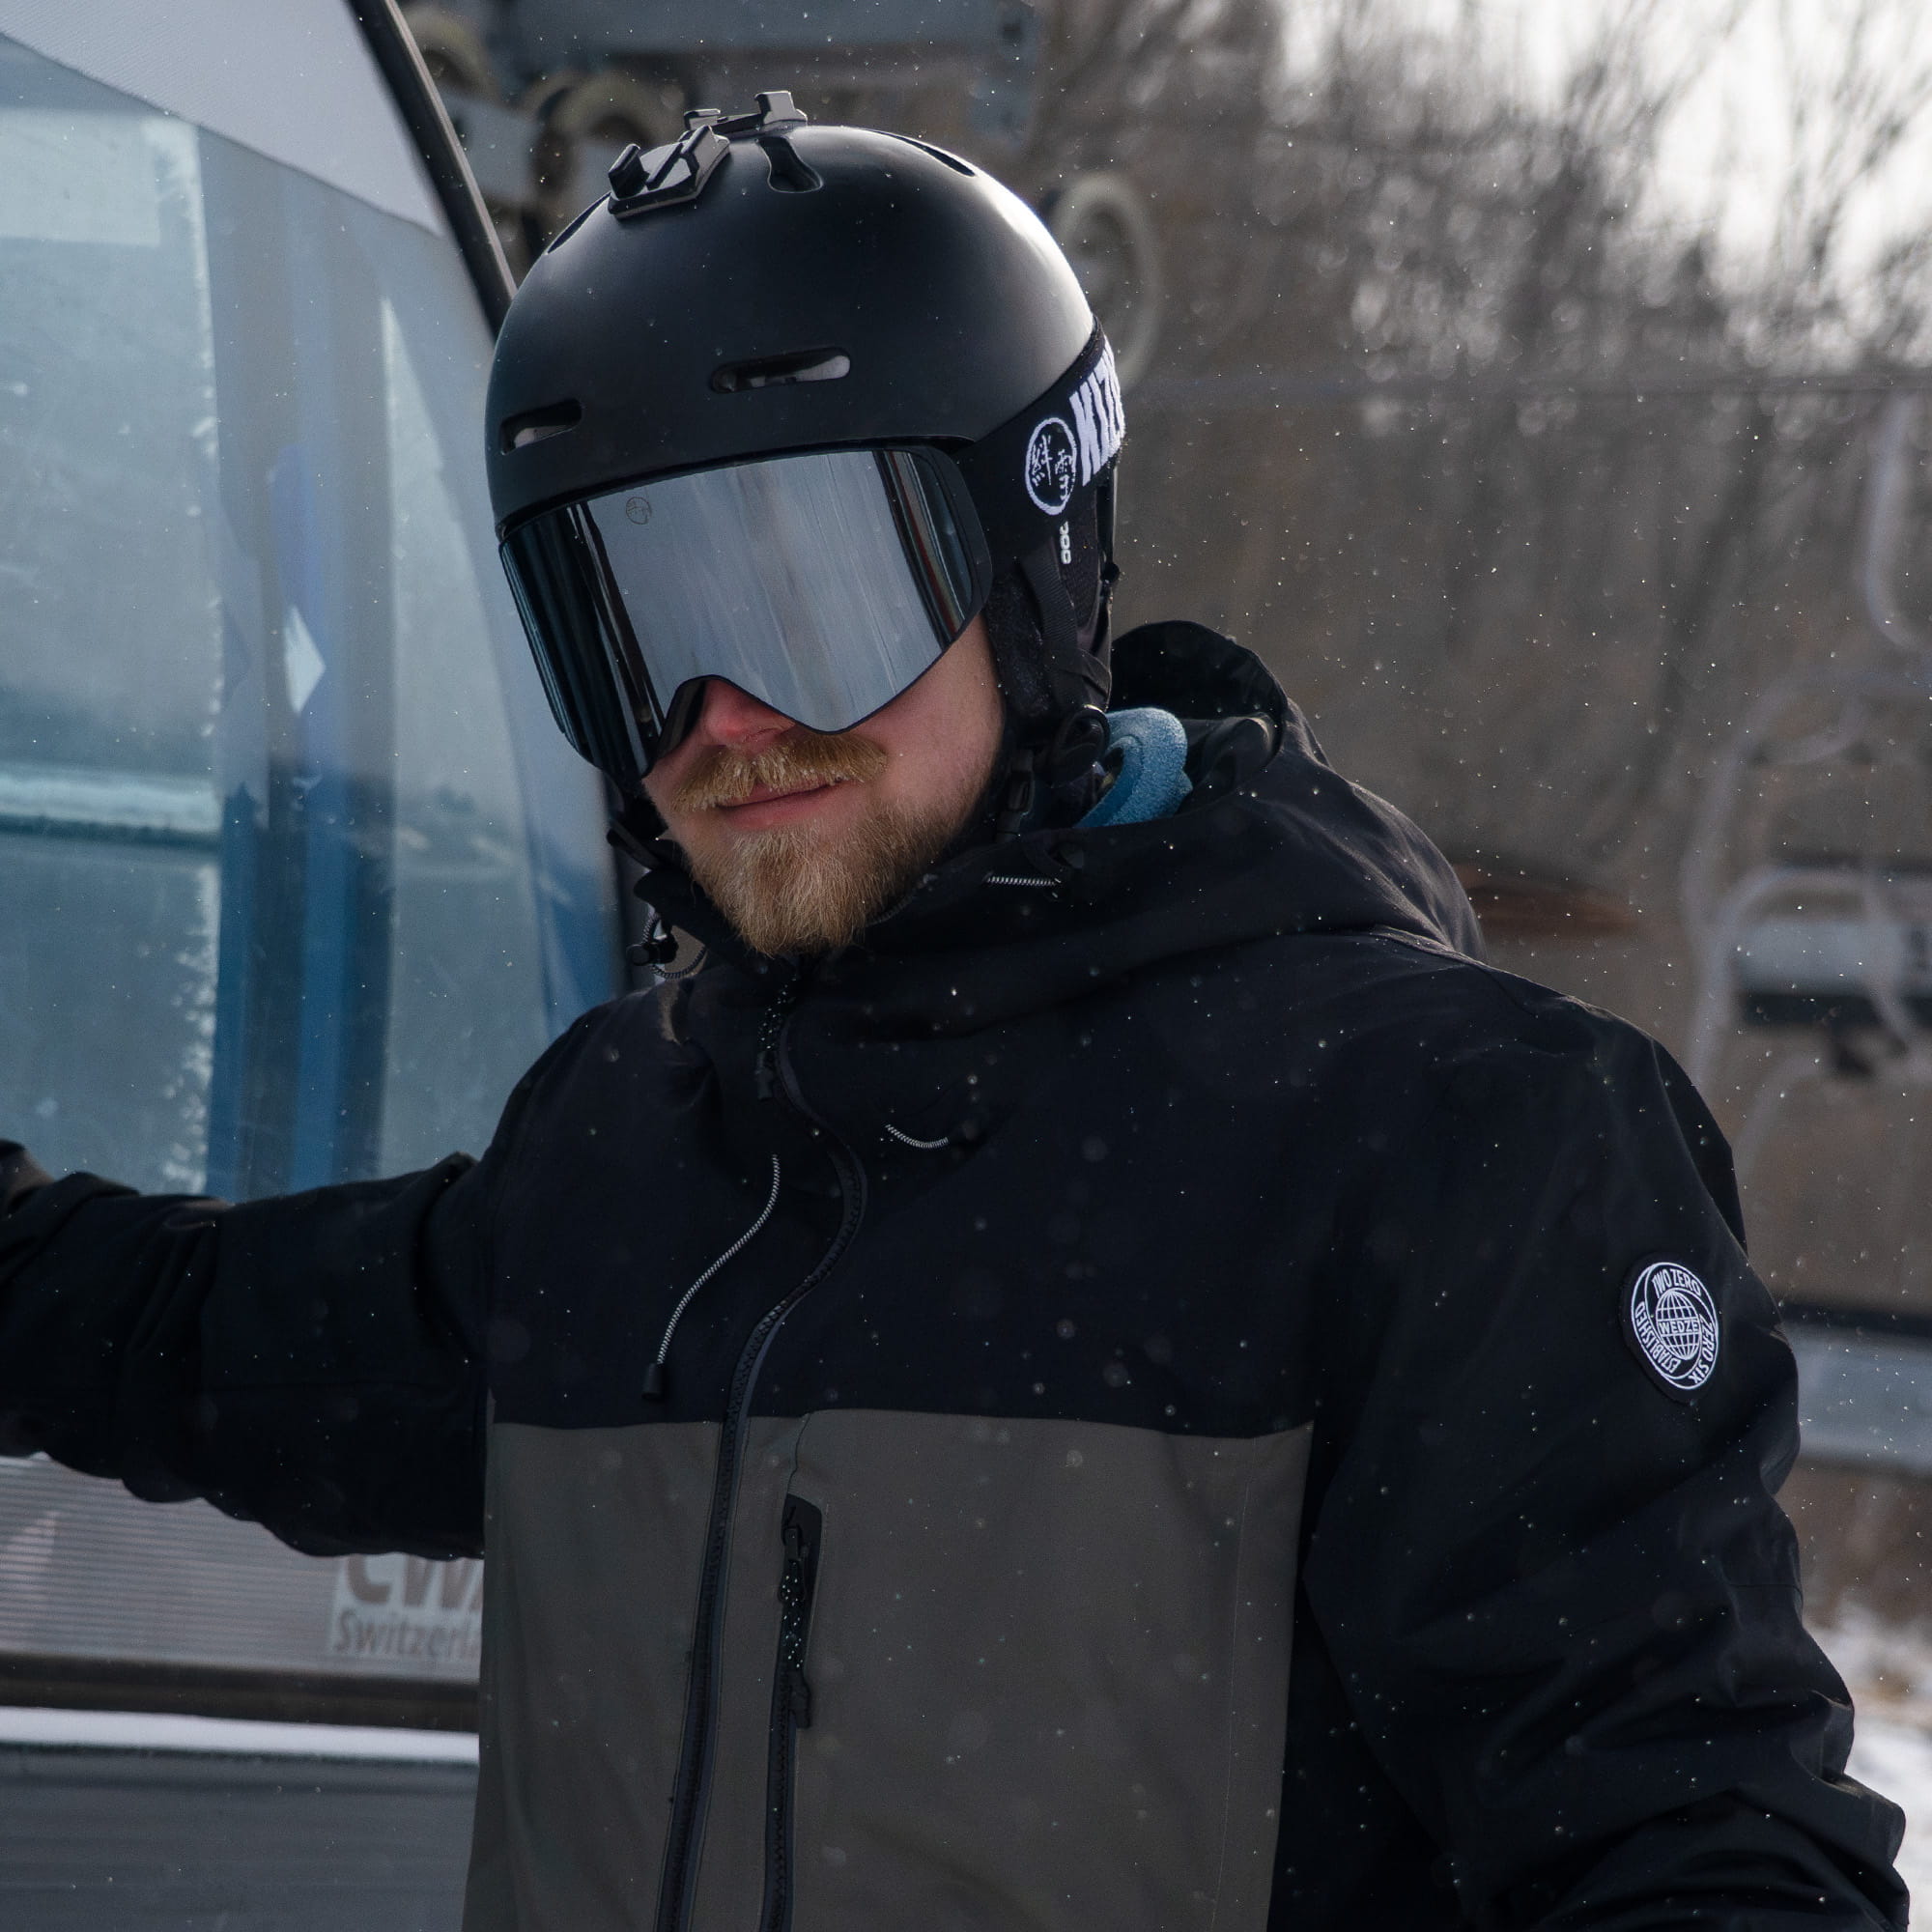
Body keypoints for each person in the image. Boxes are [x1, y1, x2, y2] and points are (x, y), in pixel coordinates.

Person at [0, 93, 1908, 1932]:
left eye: (809, 588)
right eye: (636, 622)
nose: (728, 715)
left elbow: (1703, 1847)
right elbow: (191, 1340)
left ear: (1031, 575)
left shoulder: (1450, 1146)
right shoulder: (631, 1149)